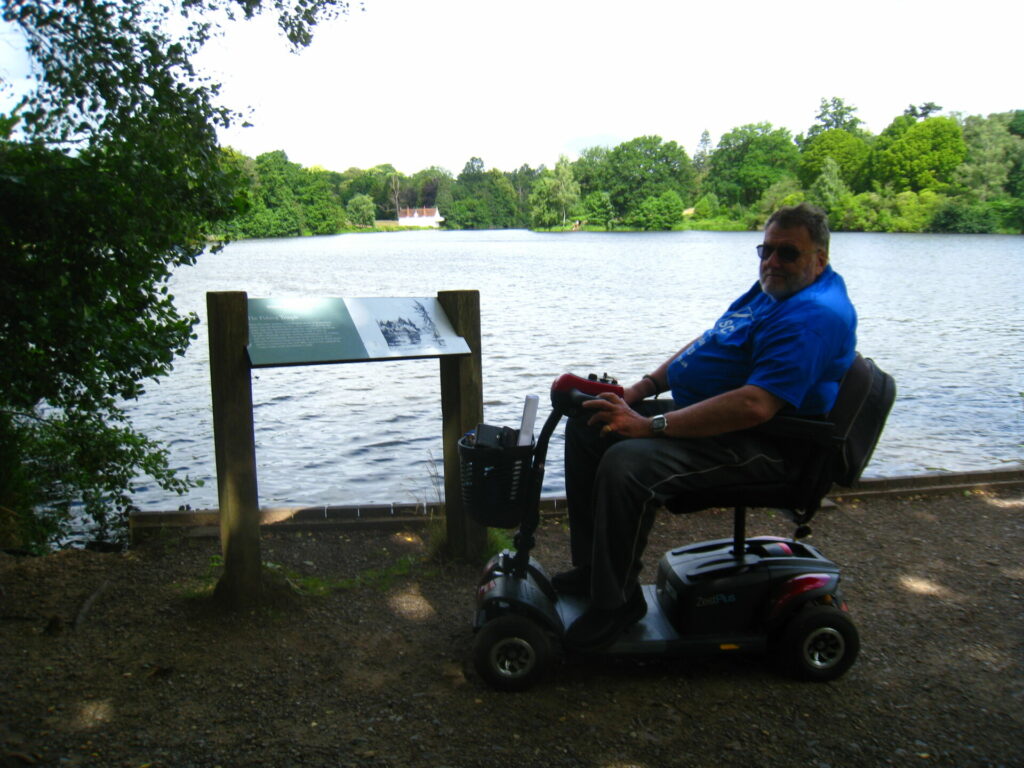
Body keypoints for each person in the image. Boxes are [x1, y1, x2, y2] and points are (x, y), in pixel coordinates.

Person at [557, 203, 857, 650]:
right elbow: (711, 339)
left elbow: (755, 405)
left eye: (787, 253)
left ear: (819, 260)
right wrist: (638, 391)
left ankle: (616, 604)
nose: (772, 262)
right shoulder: (773, 289)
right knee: (592, 424)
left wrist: (650, 425)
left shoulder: (814, 316)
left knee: (627, 461)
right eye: (766, 249)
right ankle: (594, 572)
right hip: (722, 419)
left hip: (769, 442)